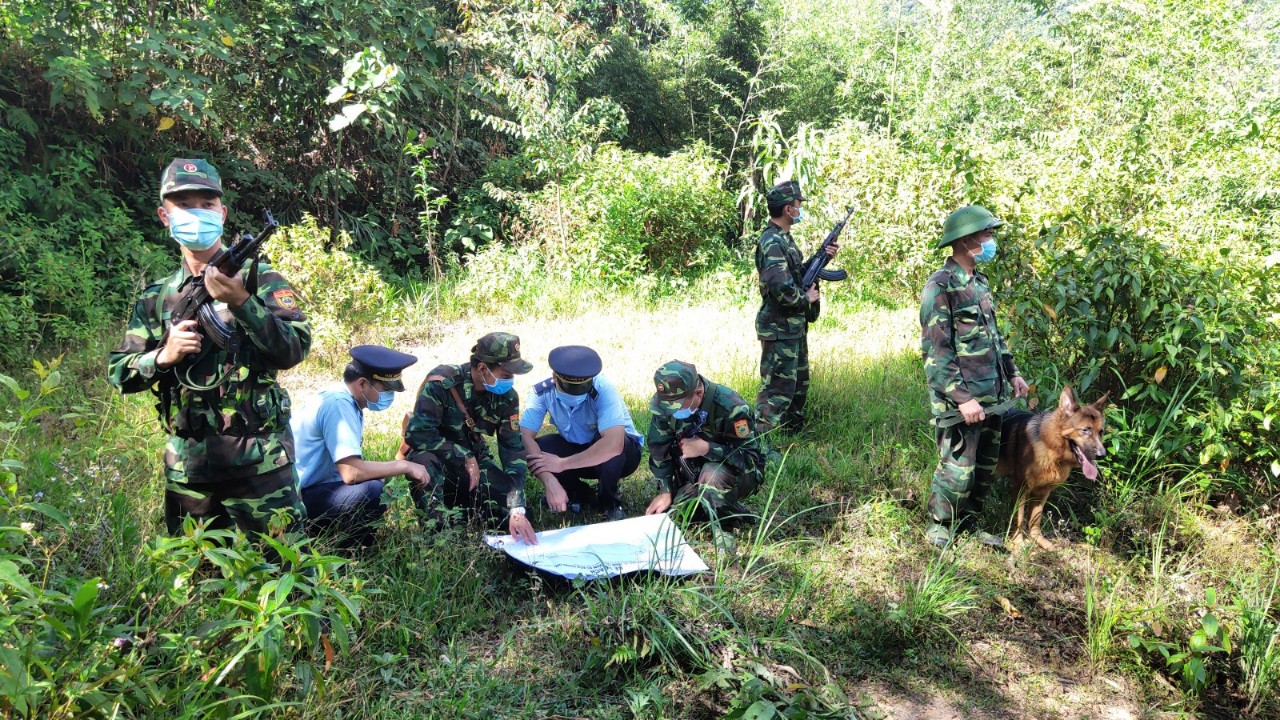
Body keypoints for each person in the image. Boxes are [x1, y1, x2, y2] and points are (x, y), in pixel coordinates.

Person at [107, 158, 310, 538]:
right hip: (189, 470)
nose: (196, 213)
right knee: (198, 582)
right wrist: (162, 356)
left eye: (206, 203)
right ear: (165, 216)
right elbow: (119, 373)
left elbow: (294, 349)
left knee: (287, 577)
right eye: (183, 205)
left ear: (223, 212)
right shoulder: (157, 298)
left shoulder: (259, 278)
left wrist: (242, 303)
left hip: (261, 463)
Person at [921, 205, 1030, 548]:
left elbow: (995, 338)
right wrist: (962, 398)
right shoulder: (940, 287)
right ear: (967, 240)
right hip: (962, 399)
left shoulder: (980, 283)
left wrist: (1012, 373)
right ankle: (940, 526)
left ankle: (968, 525)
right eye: (987, 234)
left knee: (983, 467)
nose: (991, 240)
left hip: (991, 395)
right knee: (957, 467)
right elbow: (937, 352)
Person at [402, 332, 538, 544]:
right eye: (506, 374)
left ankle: (465, 508)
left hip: (475, 463)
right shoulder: (442, 383)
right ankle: (436, 532)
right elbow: (417, 433)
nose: (510, 380)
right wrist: (462, 454)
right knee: (423, 463)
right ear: (482, 368)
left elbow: (513, 449)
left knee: (513, 516)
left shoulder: (507, 398)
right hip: (438, 460)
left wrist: (516, 506)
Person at [290, 345, 426, 548]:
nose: (389, 396)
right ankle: (350, 551)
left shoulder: (343, 400)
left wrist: (399, 458)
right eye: (386, 390)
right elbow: (351, 472)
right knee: (372, 491)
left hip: (311, 490)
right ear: (363, 383)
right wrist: (405, 466)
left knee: (375, 483)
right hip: (296, 503)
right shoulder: (338, 404)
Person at [754, 179, 838, 438]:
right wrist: (807, 299)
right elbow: (781, 288)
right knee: (776, 390)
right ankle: (758, 441)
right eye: (798, 204)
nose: (800, 209)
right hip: (779, 328)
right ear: (788, 210)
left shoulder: (784, 239)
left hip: (792, 327)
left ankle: (793, 437)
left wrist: (821, 258)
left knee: (798, 386)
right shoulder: (772, 242)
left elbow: (796, 275)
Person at [520, 345, 644, 522]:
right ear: (555, 378)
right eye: (569, 389)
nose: (576, 395)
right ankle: (578, 493)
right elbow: (525, 436)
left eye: (581, 389)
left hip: (622, 456)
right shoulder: (542, 391)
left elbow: (614, 444)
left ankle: (609, 503)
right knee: (540, 447)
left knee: (612, 447)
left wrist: (562, 464)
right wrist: (549, 480)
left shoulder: (604, 389)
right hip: (577, 449)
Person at [643, 360, 764, 532]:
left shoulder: (731, 407)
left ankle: (724, 530)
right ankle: (729, 509)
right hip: (694, 474)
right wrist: (665, 490)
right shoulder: (666, 407)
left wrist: (707, 448)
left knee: (712, 473)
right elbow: (658, 449)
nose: (672, 413)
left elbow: (749, 459)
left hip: (734, 474)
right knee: (676, 516)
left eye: (677, 407)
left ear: (698, 393)